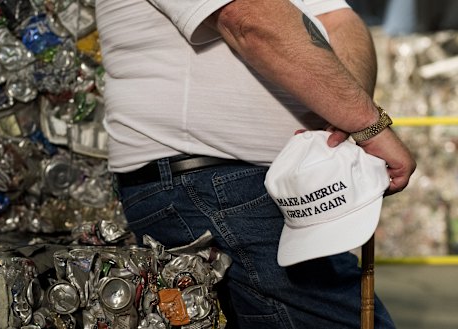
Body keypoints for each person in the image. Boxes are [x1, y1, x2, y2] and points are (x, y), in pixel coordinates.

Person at [95, 0, 416, 328]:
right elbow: (247, 16)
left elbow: (340, 19)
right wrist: (366, 123)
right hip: (213, 180)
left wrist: (342, 117)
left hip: (246, 184)